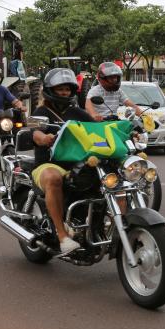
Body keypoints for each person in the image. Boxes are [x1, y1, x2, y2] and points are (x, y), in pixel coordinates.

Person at [30, 68, 95, 255]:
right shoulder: (41, 111)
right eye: (60, 89)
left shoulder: (77, 112)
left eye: (67, 89)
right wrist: (44, 138)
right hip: (48, 163)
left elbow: (97, 128)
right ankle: (62, 236)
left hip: (76, 165)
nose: (65, 92)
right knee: (53, 178)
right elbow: (34, 132)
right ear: (50, 90)